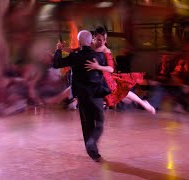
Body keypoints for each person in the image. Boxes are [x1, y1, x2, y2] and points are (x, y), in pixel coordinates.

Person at [52, 30, 110, 162]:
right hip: (96, 94)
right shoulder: (99, 57)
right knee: (100, 121)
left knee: (87, 123)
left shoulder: (75, 56)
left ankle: (92, 151)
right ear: (91, 41)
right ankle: (92, 142)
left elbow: (57, 64)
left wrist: (59, 50)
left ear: (79, 42)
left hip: (82, 95)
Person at [85, 26, 156, 115]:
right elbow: (77, 52)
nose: (103, 42)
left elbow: (111, 69)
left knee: (122, 92)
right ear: (94, 37)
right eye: (99, 39)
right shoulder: (89, 45)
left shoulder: (106, 50)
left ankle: (143, 103)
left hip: (106, 79)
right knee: (122, 95)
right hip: (96, 77)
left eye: (104, 39)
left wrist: (97, 66)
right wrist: (63, 49)